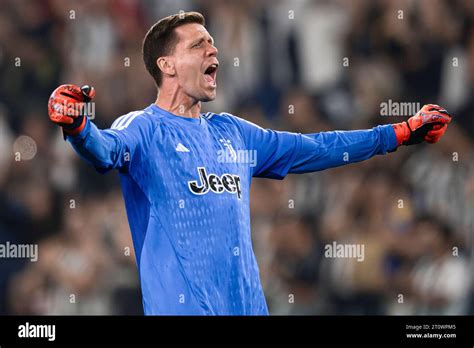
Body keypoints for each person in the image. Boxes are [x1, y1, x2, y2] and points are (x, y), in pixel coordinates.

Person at [47, 12, 452, 315]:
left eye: (212, 43)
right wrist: (78, 126)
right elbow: (105, 150)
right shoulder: (145, 128)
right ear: (166, 65)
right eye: (198, 45)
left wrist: (398, 133)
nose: (213, 50)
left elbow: (318, 147)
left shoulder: (233, 133)